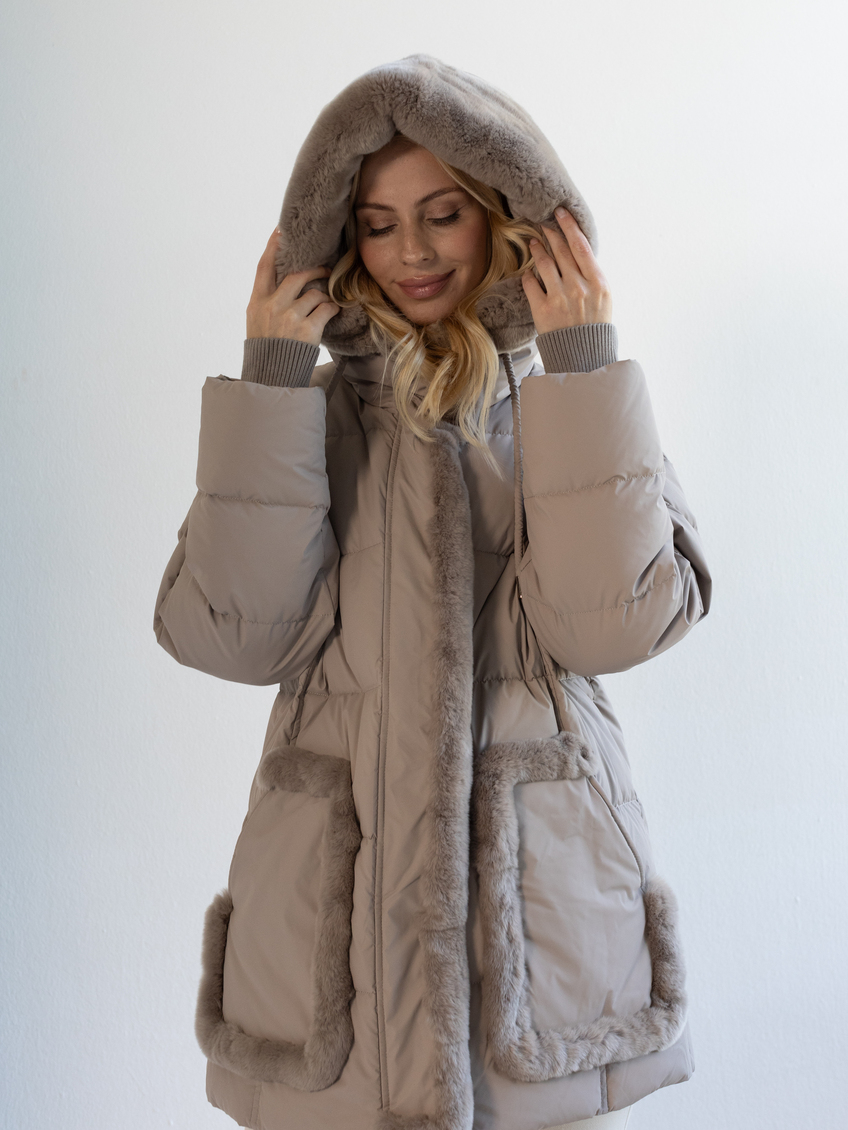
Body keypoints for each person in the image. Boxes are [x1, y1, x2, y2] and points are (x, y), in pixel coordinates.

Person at [154, 54, 711, 1130]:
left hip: (537, 923)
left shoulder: (563, 406)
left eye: (442, 214)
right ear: (338, 238)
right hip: (336, 927)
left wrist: (582, 369)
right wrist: (270, 386)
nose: (409, 251)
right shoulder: (307, 419)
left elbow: (618, 622)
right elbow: (234, 636)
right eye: (375, 223)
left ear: (504, 220)